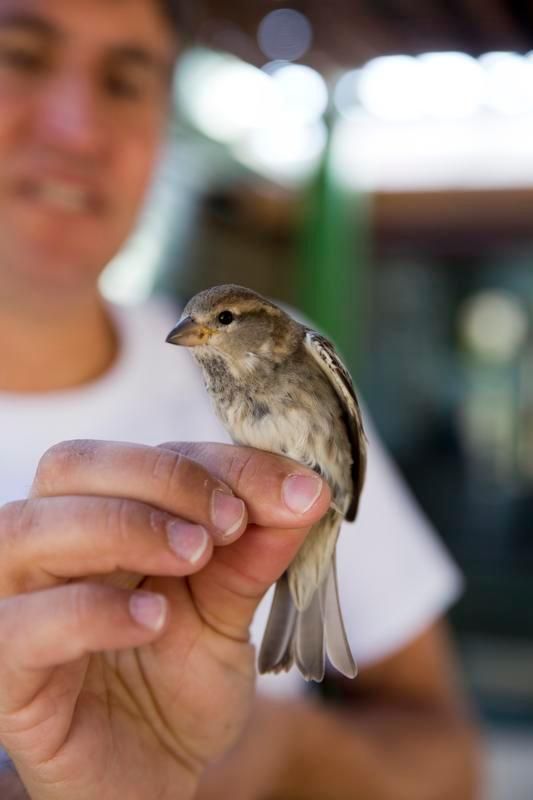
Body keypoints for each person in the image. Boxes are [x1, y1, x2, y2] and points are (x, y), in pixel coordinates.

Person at [0, 1, 480, 798]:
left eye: (126, 81)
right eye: (17, 55)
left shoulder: (299, 347)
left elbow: (450, 762)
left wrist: (258, 752)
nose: (75, 128)